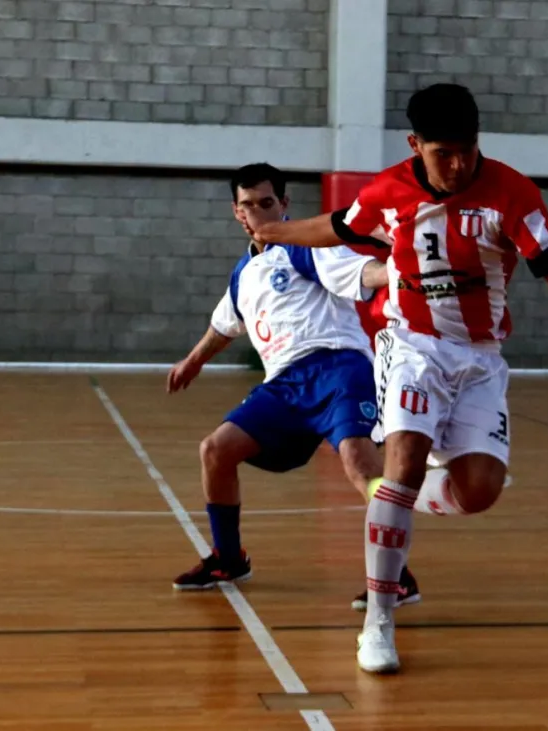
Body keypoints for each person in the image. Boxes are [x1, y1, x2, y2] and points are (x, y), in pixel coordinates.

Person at [249, 84, 548, 674]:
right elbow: (339, 227)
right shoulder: (388, 192)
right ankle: (379, 620)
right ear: (415, 146)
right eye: (443, 153)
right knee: (403, 460)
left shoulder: (514, 194)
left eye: (467, 151)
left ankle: (391, 497)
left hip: (479, 358)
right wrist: (277, 232)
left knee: (478, 492)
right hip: (411, 345)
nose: (457, 165)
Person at [166, 162, 422, 608]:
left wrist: (399, 272)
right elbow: (226, 324)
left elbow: (360, 273)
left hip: (339, 368)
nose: (259, 213)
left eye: (268, 203)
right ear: (237, 213)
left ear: (284, 204)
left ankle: (397, 574)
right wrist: (192, 361)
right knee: (215, 451)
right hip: (284, 383)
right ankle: (230, 559)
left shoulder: (306, 243)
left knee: (360, 465)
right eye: (249, 206)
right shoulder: (243, 273)